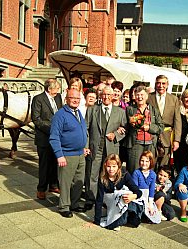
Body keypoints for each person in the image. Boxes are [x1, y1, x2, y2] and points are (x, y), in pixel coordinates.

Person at [84, 86, 127, 210]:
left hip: (111, 148)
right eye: (104, 95)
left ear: (113, 96)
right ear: (100, 96)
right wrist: (86, 146)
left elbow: (125, 129)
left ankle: (106, 198)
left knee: (109, 174)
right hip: (95, 147)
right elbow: (86, 129)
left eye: (109, 95)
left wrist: (116, 135)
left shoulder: (120, 112)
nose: (106, 97)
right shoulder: (92, 110)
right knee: (92, 173)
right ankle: (90, 198)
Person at [49, 89, 90, 218]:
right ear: (66, 99)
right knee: (66, 182)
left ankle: (75, 203)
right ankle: (64, 206)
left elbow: (82, 131)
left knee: (78, 181)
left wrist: (84, 147)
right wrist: (59, 155)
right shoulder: (60, 115)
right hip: (67, 154)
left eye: (78, 98)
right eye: (72, 98)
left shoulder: (78, 113)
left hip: (80, 154)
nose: (75, 100)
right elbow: (54, 137)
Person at [86, 154, 143, 231]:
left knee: (135, 221)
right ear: (105, 166)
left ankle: (129, 214)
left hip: (122, 200)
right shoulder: (102, 178)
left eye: (114, 166)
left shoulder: (124, 174)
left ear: (118, 166)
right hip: (109, 199)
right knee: (115, 222)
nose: (111, 169)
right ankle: (119, 219)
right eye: (109, 166)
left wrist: (133, 196)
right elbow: (99, 200)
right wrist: (96, 221)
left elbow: (138, 191)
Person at [31, 78, 62, 200]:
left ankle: (53, 185)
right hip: (44, 137)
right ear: (49, 89)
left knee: (55, 162)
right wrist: (52, 129)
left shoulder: (58, 97)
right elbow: (36, 119)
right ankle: (41, 189)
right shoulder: (38, 99)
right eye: (57, 88)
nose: (58, 91)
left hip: (57, 138)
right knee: (44, 164)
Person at [125, 86, 164, 173]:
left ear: (147, 96)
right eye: (137, 95)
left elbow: (161, 127)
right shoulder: (129, 109)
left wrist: (149, 127)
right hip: (135, 144)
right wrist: (130, 123)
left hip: (150, 144)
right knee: (134, 170)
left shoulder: (154, 110)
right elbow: (125, 125)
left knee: (149, 170)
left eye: (142, 95)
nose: (140, 97)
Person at [147, 75, 182, 167]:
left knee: (164, 165)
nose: (161, 85)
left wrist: (176, 140)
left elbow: (177, 120)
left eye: (163, 83)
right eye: (158, 83)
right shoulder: (149, 98)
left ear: (167, 85)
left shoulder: (174, 99)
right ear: (155, 84)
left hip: (167, 135)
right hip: (152, 135)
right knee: (150, 162)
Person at [132, 151, 161, 224]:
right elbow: (135, 188)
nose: (144, 163)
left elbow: (151, 190)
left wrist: (150, 204)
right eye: (142, 161)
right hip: (138, 197)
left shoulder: (153, 174)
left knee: (153, 214)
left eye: (147, 161)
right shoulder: (136, 173)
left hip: (147, 197)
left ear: (151, 162)